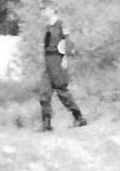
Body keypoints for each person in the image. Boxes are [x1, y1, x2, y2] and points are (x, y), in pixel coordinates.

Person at [36, 3, 86, 132]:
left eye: (45, 9)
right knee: (44, 92)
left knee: (62, 91)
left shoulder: (60, 25)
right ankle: (46, 123)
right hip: (48, 62)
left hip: (57, 61)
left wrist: (65, 59)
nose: (43, 12)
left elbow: (67, 44)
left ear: (52, 10)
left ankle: (79, 117)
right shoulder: (48, 27)